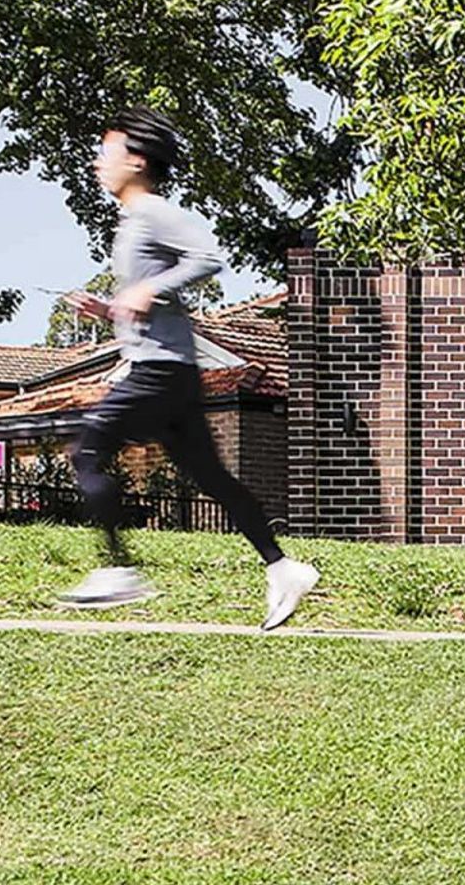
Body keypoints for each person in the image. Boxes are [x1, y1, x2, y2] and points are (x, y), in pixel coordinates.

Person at [53, 108, 320, 629]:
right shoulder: (133, 221)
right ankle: (283, 567)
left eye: (105, 152)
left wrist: (150, 287)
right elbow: (154, 307)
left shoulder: (152, 210)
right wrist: (110, 308)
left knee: (86, 451)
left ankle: (118, 570)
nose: (97, 162)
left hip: (157, 372)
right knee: (214, 479)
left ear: (136, 159)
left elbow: (207, 257)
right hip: (169, 370)